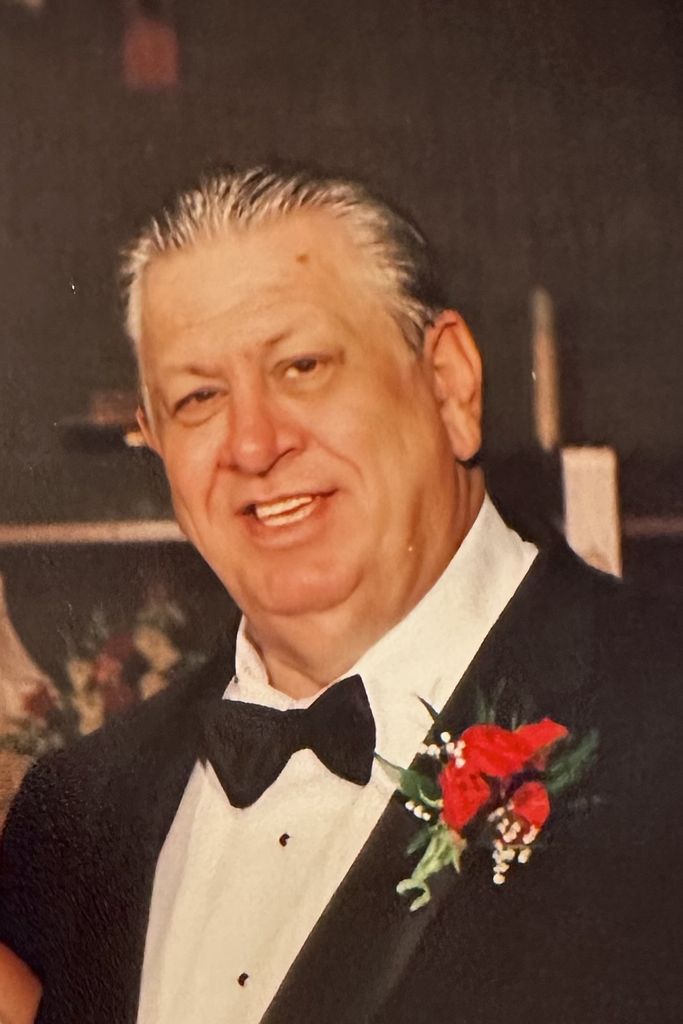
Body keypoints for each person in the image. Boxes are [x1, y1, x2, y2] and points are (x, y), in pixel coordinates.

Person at [0, 167, 681, 1024]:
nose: (254, 444)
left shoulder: (663, 713)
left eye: (302, 365)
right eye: (198, 396)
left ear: (449, 383)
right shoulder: (73, 814)